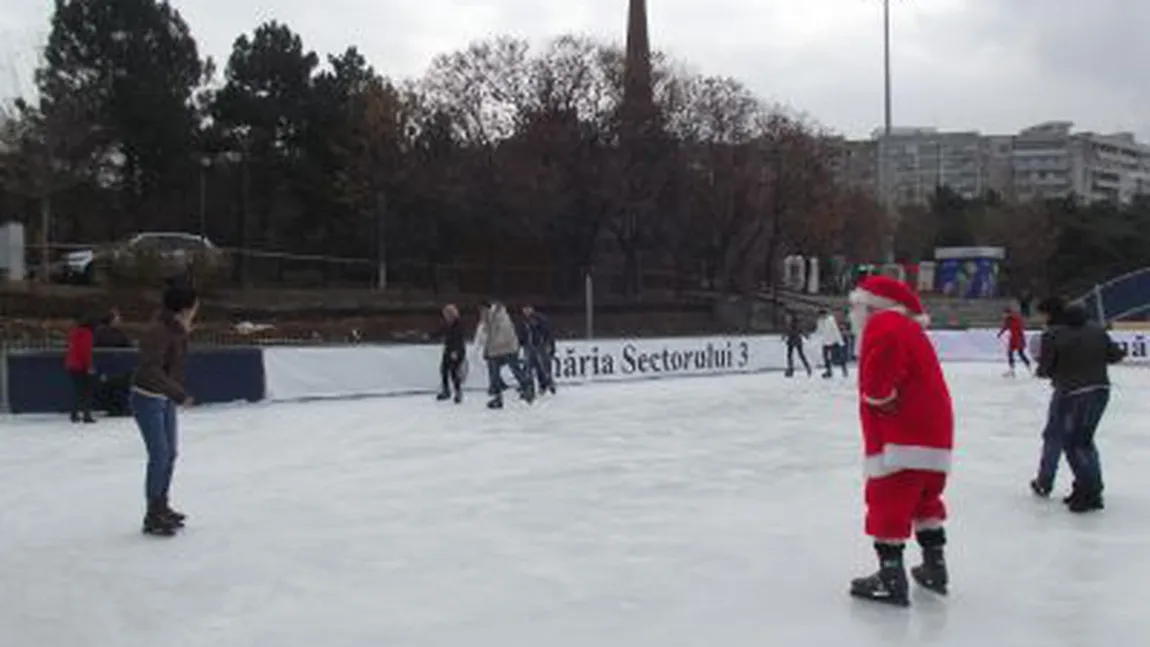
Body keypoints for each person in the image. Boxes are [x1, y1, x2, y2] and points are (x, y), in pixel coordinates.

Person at [847, 275, 954, 606]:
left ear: (871, 306)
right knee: (925, 500)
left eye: (855, 306)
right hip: (932, 433)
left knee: (888, 501)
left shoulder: (885, 324)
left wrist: (878, 398)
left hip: (902, 435)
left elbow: (878, 377)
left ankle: (891, 577)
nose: (851, 314)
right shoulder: (908, 327)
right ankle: (935, 567)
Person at [1032, 301, 1125, 513]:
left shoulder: (1055, 335)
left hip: (1073, 394)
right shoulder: (1097, 332)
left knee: (1075, 444)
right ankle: (1088, 487)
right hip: (1101, 390)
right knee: (1084, 441)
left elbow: (1045, 369)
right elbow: (1116, 355)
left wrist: (1050, 368)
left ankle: (1090, 492)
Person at [131, 284, 198, 537]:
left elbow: (174, 365)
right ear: (184, 308)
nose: (196, 311)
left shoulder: (175, 329)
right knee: (159, 454)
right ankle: (153, 514)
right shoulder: (158, 331)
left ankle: (162, 505)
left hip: (165, 399)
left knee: (170, 453)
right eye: (194, 306)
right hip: (147, 398)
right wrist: (179, 394)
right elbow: (151, 369)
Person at [476, 300, 534, 410]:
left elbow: (502, 334)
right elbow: (486, 335)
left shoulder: (499, 316)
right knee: (494, 373)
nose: (480, 313)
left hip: (508, 348)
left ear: (485, 308)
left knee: (514, 370)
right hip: (498, 349)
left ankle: (527, 388)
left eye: (481, 310)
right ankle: (498, 397)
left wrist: (490, 349)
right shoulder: (489, 318)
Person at [94, 308, 134, 417]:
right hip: (108, 365)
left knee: (121, 385)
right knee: (111, 386)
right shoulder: (101, 332)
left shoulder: (118, 332)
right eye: (117, 318)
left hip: (119, 365)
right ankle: (114, 408)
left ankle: (120, 407)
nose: (119, 320)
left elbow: (128, 345)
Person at [64, 315, 96, 424]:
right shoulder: (87, 334)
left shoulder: (74, 333)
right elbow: (86, 352)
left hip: (71, 364)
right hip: (81, 365)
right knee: (87, 390)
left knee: (78, 391)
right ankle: (87, 414)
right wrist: (90, 366)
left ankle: (74, 413)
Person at [519, 305, 556, 395]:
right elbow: (522, 333)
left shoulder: (539, 319)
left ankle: (547, 383)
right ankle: (529, 386)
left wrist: (550, 345)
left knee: (542, 367)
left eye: (527, 309)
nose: (526, 311)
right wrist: (521, 342)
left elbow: (547, 332)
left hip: (540, 346)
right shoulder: (524, 321)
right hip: (529, 346)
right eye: (524, 309)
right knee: (529, 367)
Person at [434, 304, 466, 404]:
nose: (446, 317)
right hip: (448, 350)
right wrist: (430, 336)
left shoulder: (458, 325)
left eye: (447, 314)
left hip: (457, 350)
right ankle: (446, 390)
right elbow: (440, 332)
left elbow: (458, 339)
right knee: (443, 370)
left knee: (454, 372)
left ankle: (458, 392)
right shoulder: (446, 324)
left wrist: (456, 352)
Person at [998, 306, 1031, 376]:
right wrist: (1000, 333)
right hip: (1013, 339)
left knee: (1020, 353)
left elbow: (1019, 328)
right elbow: (1005, 327)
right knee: (1010, 353)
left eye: (1005, 314)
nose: (1003, 315)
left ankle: (1029, 367)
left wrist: (1020, 339)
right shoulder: (1008, 320)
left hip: (1019, 338)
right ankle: (1012, 370)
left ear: (1008, 313)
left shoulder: (1016, 319)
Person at [815, 309, 848, 378]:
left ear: (824, 314)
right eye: (820, 316)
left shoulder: (830, 320)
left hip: (833, 341)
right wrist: (817, 336)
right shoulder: (820, 321)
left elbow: (835, 330)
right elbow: (819, 331)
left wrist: (840, 341)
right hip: (825, 342)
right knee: (825, 357)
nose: (821, 317)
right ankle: (828, 371)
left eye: (822, 315)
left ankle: (844, 369)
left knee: (838, 357)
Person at [783, 312, 812, 377]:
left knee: (799, 355)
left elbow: (801, 329)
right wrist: (784, 336)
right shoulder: (789, 324)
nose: (787, 318)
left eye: (788, 317)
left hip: (795, 340)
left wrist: (806, 335)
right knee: (790, 355)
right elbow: (787, 331)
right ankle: (791, 369)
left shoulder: (795, 323)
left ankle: (807, 367)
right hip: (792, 340)